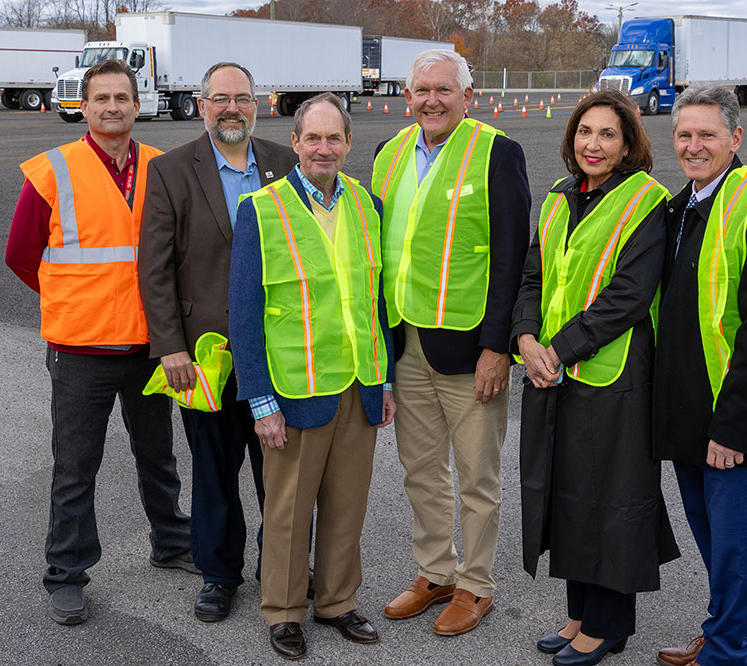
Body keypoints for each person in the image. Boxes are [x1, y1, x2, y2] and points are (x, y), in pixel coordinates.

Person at [5, 59, 194, 626]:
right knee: (75, 466)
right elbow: (21, 255)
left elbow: (176, 256)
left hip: (146, 346)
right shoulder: (52, 171)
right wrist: (72, 297)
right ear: (83, 107)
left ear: (139, 107)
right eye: (101, 98)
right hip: (81, 349)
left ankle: (171, 541)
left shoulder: (162, 167)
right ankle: (66, 573)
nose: (112, 107)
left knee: (157, 454)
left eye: (122, 98)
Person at [511, 89, 680, 666]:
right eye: (586, 132)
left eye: (608, 134)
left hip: (614, 377)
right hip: (551, 370)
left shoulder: (647, 202)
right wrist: (525, 339)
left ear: (629, 143)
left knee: (611, 498)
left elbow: (629, 296)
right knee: (569, 495)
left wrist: (556, 349)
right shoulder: (560, 198)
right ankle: (581, 614)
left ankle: (608, 625)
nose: (594, 144)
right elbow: (533, 276)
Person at [229, 92, 395, 660]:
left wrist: (386, 380)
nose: (324, 148)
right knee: (288, 509)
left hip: (358, 383)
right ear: (294, 143)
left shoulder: (366, 204)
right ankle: (283, 610)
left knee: (348, 505)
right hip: (293, 390)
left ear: (348, 143)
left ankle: (337, 602)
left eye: (334, 138)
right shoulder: (262, 208)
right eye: (313, 138)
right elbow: (244, 313)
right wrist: (259, 400)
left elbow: (372, 301)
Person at [371, 49, 531, 636]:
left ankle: (476, 584)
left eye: (444, 90)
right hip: (407, 341)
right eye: (421, 91)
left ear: (468, 96)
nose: (432, 100)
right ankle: (435, 571)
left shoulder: (496, 152)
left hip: (470, 350)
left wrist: (499, 348)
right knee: (420, 469)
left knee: (477, 475)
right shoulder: (389, 155)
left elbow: (513, 257)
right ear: (407, 97)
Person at [138, 62, 298, 623]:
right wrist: (170, 346)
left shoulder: (286, 162)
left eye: (243, 98)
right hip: (204, 356)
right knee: (212, 470)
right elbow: (154, 269)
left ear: (258, 104)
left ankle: (278, 568)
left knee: (277, 472)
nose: (232, 108)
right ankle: (219, 573)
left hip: (278, 353)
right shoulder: (172, 171)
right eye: (220, 99)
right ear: (202, 104)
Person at [653, 85, 747, 666]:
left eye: (707, 135)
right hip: (694, 409)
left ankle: (726, 650)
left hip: (734, 421)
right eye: (684, 135)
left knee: (732, 542)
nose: (693, 147)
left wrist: (733, 430)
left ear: (736, 138)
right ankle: (734, 629)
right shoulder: (683, 206)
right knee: (714, 541)